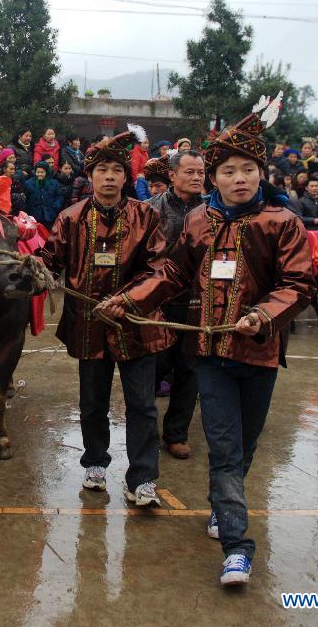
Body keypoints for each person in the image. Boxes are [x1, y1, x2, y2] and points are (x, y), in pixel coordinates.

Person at [99, 94, 315, 587]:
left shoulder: (282, 224)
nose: (238, 178)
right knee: (223, 448)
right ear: (212, 178)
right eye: (227, 171)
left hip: (259, 355)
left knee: (245, 445)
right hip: (212, 357)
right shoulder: (198, 222)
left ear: (261, 174)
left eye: (247, 169)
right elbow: (173, 272)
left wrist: (263, 315)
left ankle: (224, 506)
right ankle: (238, 547)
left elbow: (300, 285)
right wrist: (132, 299)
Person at [38, 130, 172, 507]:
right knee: (92, 401)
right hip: (89, 327)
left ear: (126, 177)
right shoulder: (70, 218)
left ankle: (142, 478)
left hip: (138, 325)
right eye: (102, 170)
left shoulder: (146, 216)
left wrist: (127, 300)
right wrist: (34, 268)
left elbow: (159, 269)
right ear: (91, 176)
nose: (110, 176)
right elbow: (50, 262)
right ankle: (95, 463)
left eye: (117, 170)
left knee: (142, 404)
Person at [145, 150, 206, 459]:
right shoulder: (148, 210)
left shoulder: (214, 212)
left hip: (197, 303)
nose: (196, 178)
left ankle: (176, 433)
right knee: (153, 367)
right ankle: (145, 430)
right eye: (190, 172)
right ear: (172, 175)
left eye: (200, 172)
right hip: (158, 302)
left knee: (189, 369)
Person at [24, 161, 64, 230]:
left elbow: (59, 197)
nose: (39, 174)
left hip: (50, 216)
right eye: (37, 172)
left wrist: (54, 207)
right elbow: (25, 199)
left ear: (46, 172)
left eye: (42, 172)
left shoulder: (54, 183)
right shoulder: (28, 183)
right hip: (34, 216)